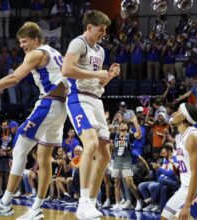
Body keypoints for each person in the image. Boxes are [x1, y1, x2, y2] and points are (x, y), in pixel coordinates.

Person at [0, 22, 67, 219]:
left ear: (36, 40)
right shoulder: (53, 51)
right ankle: (37, 208)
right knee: (44, 159)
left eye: (24, 41)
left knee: (20, 144)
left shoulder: (36, 53)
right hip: (61, 107)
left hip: (49, 103)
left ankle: (5, 203)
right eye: (20, 42)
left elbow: (14, 78)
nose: (22, 46)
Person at [61, 10, 120, 219]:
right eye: (101, 30)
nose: (103, 33)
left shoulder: (100, 51)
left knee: (105, 155)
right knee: (91, 144)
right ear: (89, 28)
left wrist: (109, 76)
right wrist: (97, 73)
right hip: (78, 98)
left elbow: (98, 82)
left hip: (95, 99)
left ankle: (92, 202)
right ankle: (83, 201)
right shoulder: (79, 43)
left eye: (105, 30)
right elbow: (66, 70)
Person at [161, 103, 197, 220]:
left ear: (183, 117)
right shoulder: (179, 137)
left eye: (177, 111)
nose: (174, 113)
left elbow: (196, 173)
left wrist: (187, 205)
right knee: (164, 218)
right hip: (185, 187)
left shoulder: (193, 137)